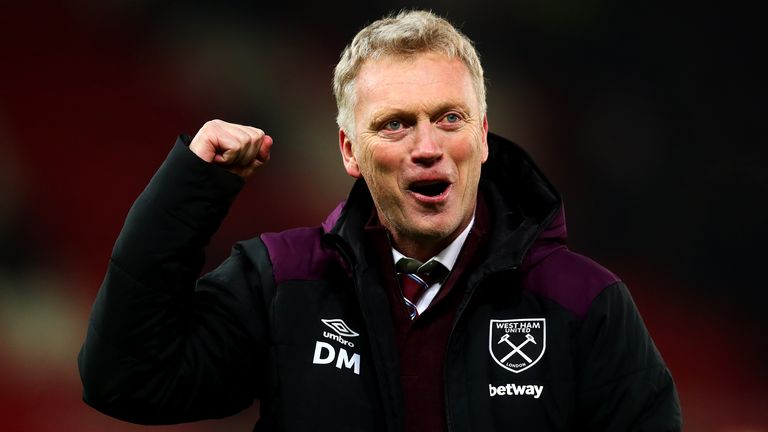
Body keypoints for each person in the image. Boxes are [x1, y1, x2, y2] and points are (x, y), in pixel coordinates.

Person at [78, 10, 682, 432]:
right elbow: (126, 379)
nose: (427, 146)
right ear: (349, 150)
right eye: (395, 123)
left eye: (449, 118)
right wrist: (189, 188)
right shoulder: (283, 283)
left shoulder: (584, 302)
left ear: (483, 134)